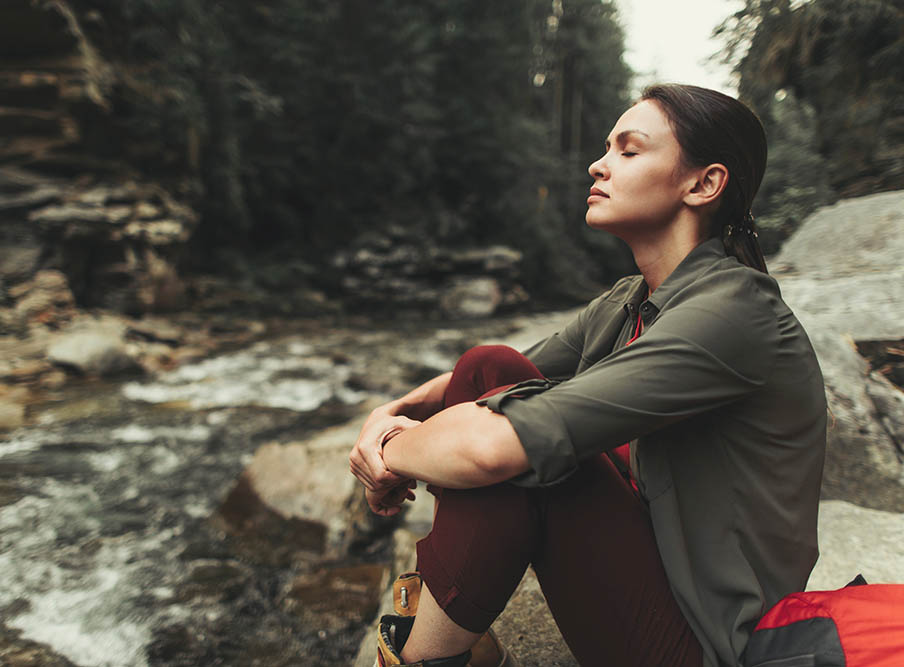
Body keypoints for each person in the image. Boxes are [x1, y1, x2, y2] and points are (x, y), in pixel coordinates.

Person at [349, 83, 827, 667]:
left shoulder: (734, 311)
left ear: (704, 184)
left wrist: (388, 454)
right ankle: (454, 646)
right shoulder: (634, 299)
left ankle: (426, 658)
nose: (597, 164)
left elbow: (492, 450)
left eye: (629, 150)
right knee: (488, 367)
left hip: (710, 643)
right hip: (646, 573)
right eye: (607, 148)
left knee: (523, 454)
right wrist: (389, 415)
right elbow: (476, 380)